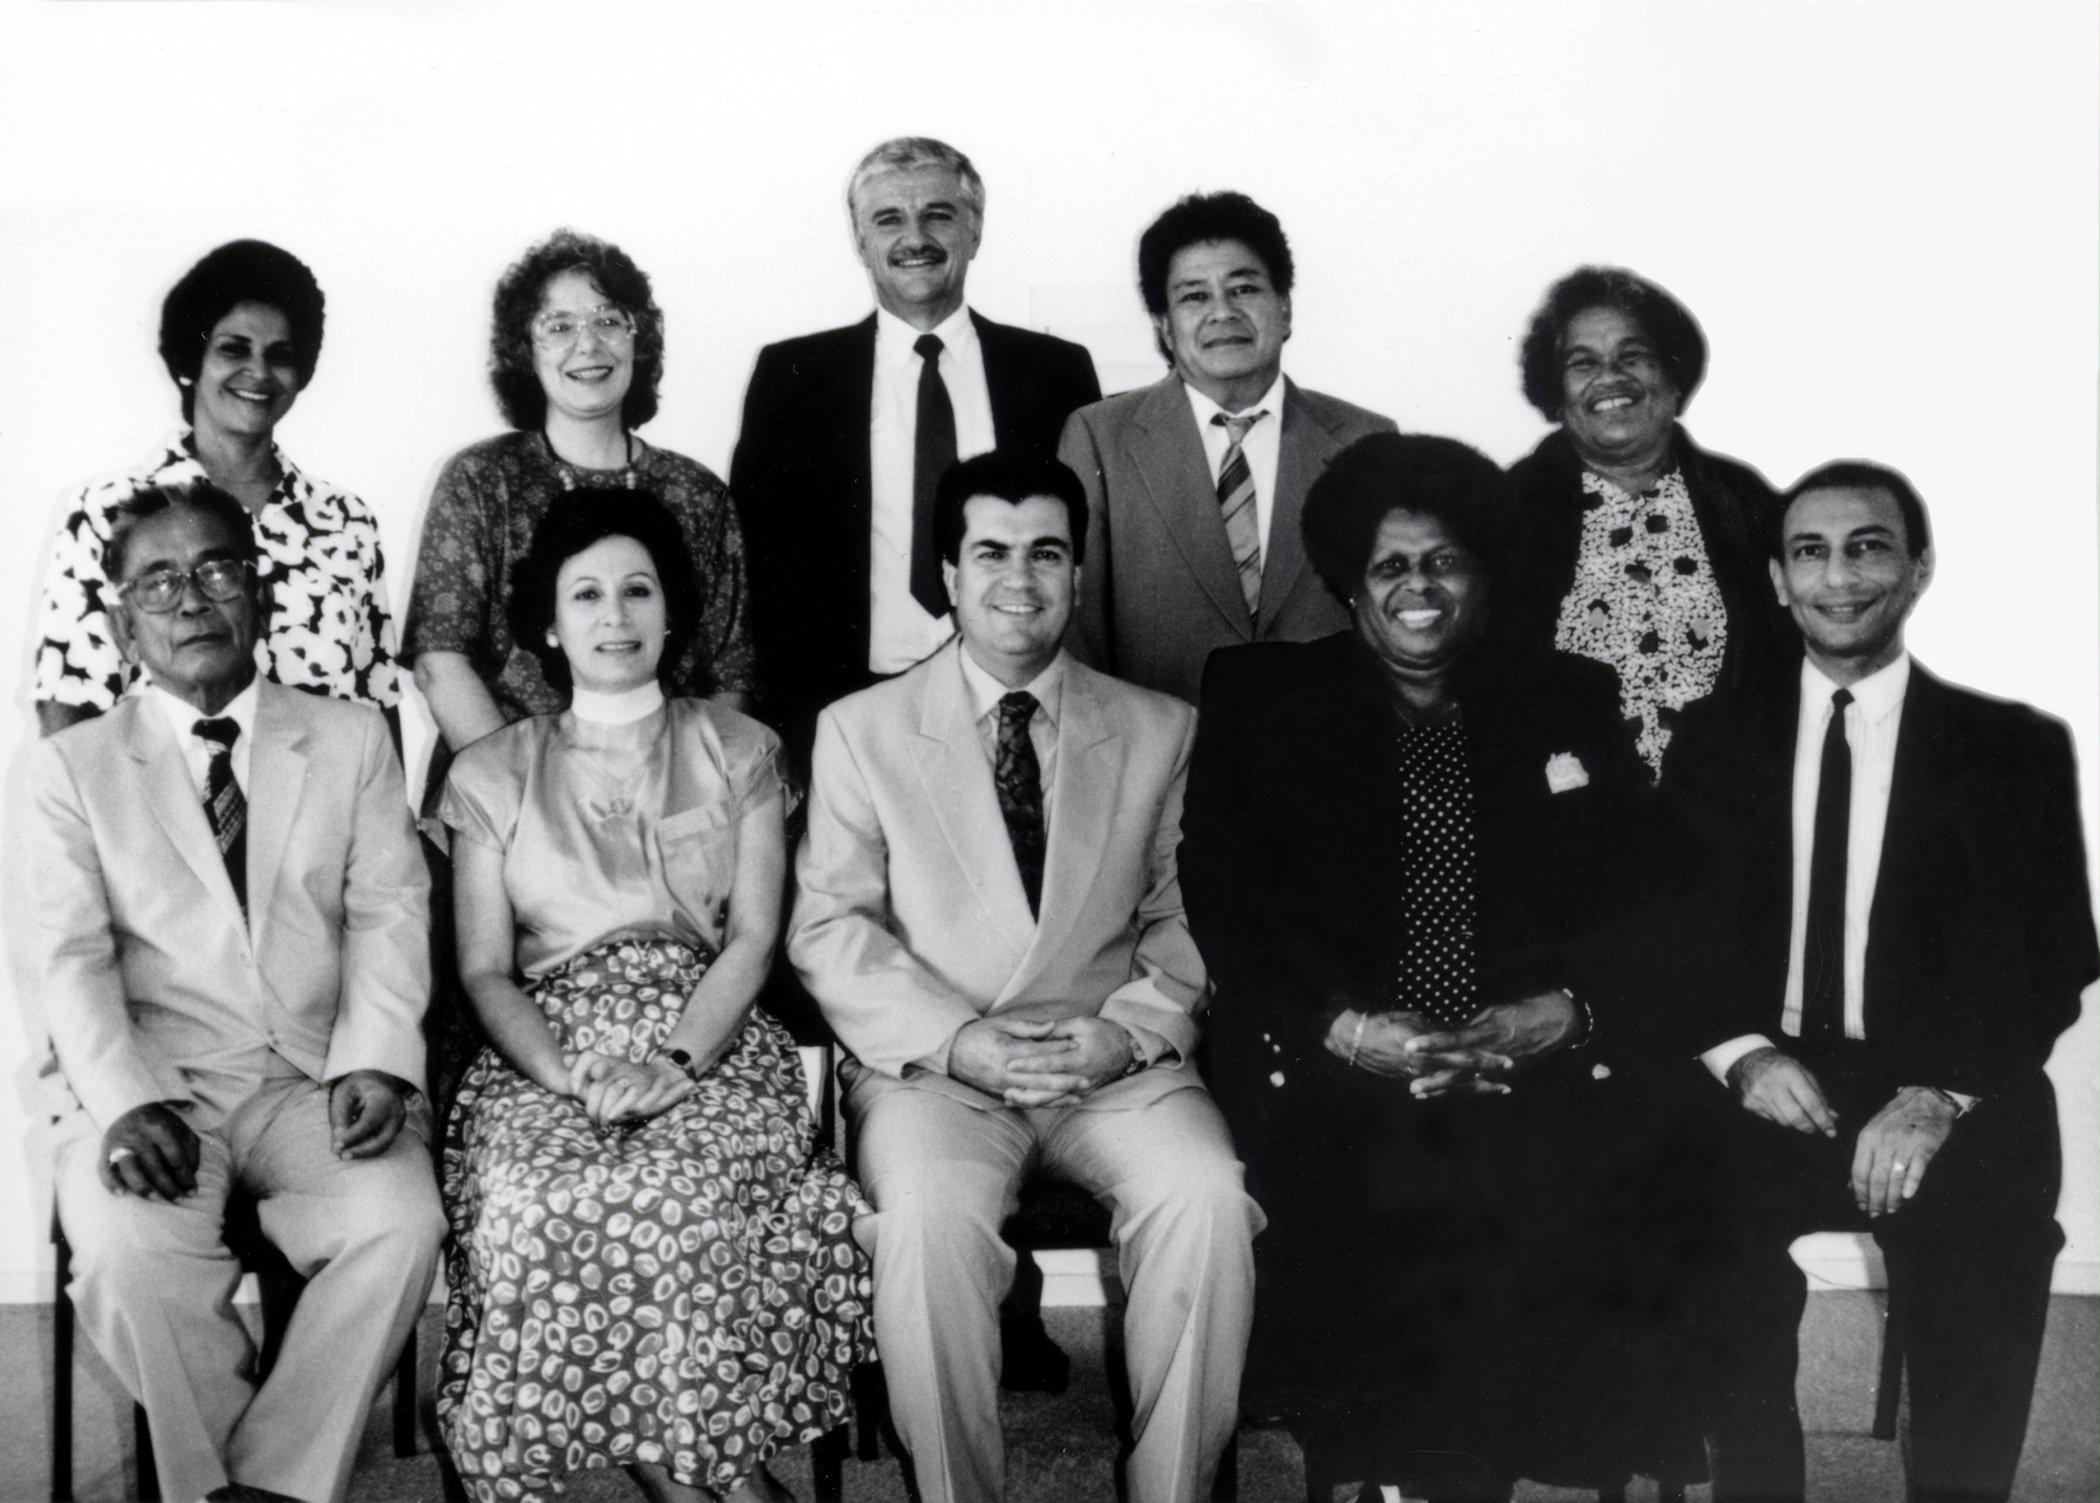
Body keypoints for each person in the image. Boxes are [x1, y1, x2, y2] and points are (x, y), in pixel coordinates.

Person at [1180, 434, 1707, 1500]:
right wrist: (1343, 1028)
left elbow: (1640, 895)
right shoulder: (1265, 695)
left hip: (1528, 1056)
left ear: (1483, 573)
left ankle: (1446, 1474)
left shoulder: (1566, 695)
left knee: (1568, 1174)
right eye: (1390, 565)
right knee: (1383, 1178)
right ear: (1348, 580)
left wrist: (1565, 1012)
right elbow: (1227, 898)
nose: (1417, 588)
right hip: (1329, 1052)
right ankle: (1405, 1475)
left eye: (1443, 562)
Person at [789, 450, 1259, 1503]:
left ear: (1078, 574)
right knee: (924, 1225)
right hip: (938, 1072)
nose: (1020, 577)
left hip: (1116, 1063)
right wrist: (958, 1041)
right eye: (991, 552)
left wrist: (1128, 1032)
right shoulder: (860, 731)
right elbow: (830, 925)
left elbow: (1188, 914)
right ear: (947, 575)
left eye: (1046, 552)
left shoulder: (1161, 727)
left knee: (1207, 1201)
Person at [1664, 463, 2095, 1503]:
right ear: (1778, 580)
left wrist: (1939, 1093)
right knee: (1675, 1200)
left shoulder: (2013, 747)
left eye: (1869, 547)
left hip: (1935, 1079)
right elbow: (1671, 934)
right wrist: (1743, 1056)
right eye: (1810, 552)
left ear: (1918, 568)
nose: (1840, 576)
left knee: (1995, 1222)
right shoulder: (1712, 738)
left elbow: (2054, 953)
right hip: (1767, 1076)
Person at [435, 490, 874, 1503]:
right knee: (531, 1199)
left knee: (678, 1197)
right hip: (547, 1048)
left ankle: (701, 1481)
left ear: (671, 611)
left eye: (637, 590)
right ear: (551, 623)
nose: (615, 615)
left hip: (710, 1035)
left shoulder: (741, 748)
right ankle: (723, 1491)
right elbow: (484, 969)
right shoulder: (491, 771)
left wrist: (673, 1065)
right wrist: (569, 1076)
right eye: (586, 594)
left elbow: (754, 936)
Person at [15, 480, 442, 1503]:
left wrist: (378, 1060)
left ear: (261, 593)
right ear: (121, 623)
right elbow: (66, 958)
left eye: (216, 569)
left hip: (313, 1083)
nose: (192, 599)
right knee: (124, 1254)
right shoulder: (68, 768)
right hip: (154, 1090)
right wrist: (124, 1102)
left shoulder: (350, 739)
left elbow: (390, 914)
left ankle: (257, 1485)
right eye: (158, 581)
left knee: (401, 1222)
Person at [731, 136, 1101, 762]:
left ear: (975, 231)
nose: (915, 237)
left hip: (1021, 705)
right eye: (888, 219)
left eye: (937, 215)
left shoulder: (1054, 372)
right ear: (860, 242)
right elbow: (756, 561)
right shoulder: (792, 377)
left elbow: (1082, 548)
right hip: (844, 711)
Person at [405, 228, 755, 758]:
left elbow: (730, 672)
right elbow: (441, 663)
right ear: (524, 350)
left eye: (609, 321)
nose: (587, 344)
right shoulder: (480, 480)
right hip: (505, 786)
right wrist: (525, 793)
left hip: (669, 786)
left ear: (639, 341)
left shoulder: (699, 494)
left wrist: (684, 785)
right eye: (559, 326)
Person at [35, 239, 401, 738]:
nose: (259, 372)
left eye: (280, 355)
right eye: (234, 349)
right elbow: (69, 708)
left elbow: (377, 707)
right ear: (192, 359)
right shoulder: (104, 511)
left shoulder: (345, 521)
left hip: (324, 787)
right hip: (158, 785)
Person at [1059, 190, 1395, 704]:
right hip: (1165, 741)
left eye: (1244, 289)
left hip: (1329, 740)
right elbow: (1078, 631)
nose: (1223, 312)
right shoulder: (1100, 438)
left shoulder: (1365, 440)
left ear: (1284, 309)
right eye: (1194, 296)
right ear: (1163, 326)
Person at [1503, 265, 1791, 777]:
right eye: (1582, 362)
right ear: (1555, 394)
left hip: (1728, 805)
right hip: (1567, 811)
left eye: (1633, 355)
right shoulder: (1508, 508)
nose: (1610, 377)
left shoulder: (1742, 499)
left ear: (1673, 377)